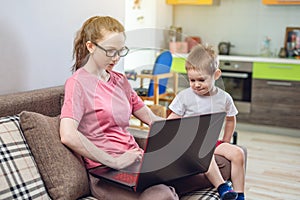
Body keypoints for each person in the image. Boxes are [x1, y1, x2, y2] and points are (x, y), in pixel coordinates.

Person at [59, 16, 179, 200]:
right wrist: (114, 160)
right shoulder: (77, 84)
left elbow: (152, 119)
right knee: (162, 195)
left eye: (120, 51)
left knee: (216, 167)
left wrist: (184, 130)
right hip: (106, 172)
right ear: (91, 46)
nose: (116, 58)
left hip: (137, 162)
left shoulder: (120, 81)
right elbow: (68, 134)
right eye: (110, 51)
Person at [167, 44, 246, 200]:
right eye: (192, 80)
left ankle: (240, 195)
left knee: (238, 154)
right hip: (190, 143)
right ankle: (222, 188)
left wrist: (226, 140)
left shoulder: (224, 98)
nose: (196, 84)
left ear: (216, 75)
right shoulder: (184, 97)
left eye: (201, 79)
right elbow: (170, 123)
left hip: (212, 141)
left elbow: (230, 119)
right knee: (204, 151)